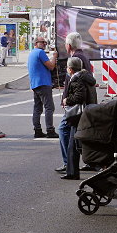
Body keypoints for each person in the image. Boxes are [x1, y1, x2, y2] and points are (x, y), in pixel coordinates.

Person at [56, 32, 94, 172]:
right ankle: (90, 161)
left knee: (64, 130)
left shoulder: (75, 59)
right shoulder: (83, 56)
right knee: (81, 132)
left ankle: (69, 163)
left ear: (69, 45)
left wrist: (66, 100)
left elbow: (73, 84)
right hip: (83, 103)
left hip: (76, 105)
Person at [60, 57, 97, 180]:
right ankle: (94, 165)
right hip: (88, 113)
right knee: (81, 142)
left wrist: (66, 100)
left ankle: (72, 173)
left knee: (73, 145)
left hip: (78, 115)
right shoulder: (86, 76)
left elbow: (79, 97)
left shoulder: (76, 79)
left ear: (70, 69)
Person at [28, 36, 59, 139]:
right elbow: (51, 66)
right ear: (36, 43)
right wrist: (54, 56)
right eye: (43, 42)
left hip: (35, 84)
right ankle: (50, 130)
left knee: (37, 108)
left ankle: (37, 130)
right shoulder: (40, 53)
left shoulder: (32, 53)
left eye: (45, 42)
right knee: (49, 107)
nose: (45, 44)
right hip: (43, 83)